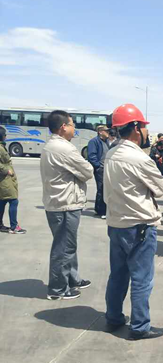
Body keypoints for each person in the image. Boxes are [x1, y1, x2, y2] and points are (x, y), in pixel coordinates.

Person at [104, 103, 163, 340]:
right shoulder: (139, 158)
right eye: (143, 126)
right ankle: (140, 326)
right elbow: (160, 188)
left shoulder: (111, 153)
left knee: (118, 275)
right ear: (135, 128)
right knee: (141, 279)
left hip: (116, 224)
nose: (146, 131)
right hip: (139, 226)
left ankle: (113, 318)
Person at [41, 110, 94, 300]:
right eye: (72, 125)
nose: (74, 128)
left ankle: (72, 279)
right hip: (65, 204)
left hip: (59, 202)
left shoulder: (52, 145)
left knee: (67, 245)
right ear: (63, 127)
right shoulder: (64, 148)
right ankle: (57, 289)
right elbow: (87, 171)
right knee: (63, 247)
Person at [0, 126, 26, 234]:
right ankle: (14, 226)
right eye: (5, 135)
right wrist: (6, 170)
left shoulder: (2, 147)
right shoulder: (0, 148)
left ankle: (0, 225)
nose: (6, 137)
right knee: (13, 200)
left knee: (2, 201)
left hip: (5, 179)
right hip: (4, 179)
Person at [87, 125, 109, 218]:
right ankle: (101, 210)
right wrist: (98, 166)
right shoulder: (94, 141)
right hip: (100, 169)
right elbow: (91, 155)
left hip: (106, 169)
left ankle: (99, 208)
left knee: (104, 189)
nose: (108, 132)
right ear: (100, 132)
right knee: (101, 189)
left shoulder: (106, 141)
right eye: (106, 131)